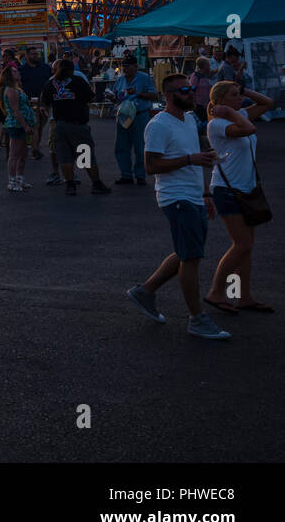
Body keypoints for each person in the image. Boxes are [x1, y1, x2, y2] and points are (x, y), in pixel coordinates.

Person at [125, 73, 228, 339]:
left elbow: (196, 159)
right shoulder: (159, 125)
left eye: (192, 89)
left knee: (187, 252)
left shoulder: (190, 119)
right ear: (169, 96)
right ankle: (197, 319)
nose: (192, 94)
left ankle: (145, 291)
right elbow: (150, 166)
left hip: (192, 195)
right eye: (185, 91)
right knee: (191, 257)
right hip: (176, 197)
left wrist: (205, 193)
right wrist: (190, 159)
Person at [203, 80, 274, 315]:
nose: (240, 99)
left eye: (239, 94)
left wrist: (243, 92)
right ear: (221, 101)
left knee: (246, 248)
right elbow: (249, 129)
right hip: (227, 190)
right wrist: (232, 112)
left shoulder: (238, 114)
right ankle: (215, 292)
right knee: (242, 244)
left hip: (247, 190)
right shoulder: (217, 124)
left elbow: (268, 103)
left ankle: (244, 297)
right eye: (234, 95)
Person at [44, 59, 111, 195]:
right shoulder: (77, 81)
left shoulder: (50, 83)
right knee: (85, 156)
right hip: (77, 125)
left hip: (59, 125)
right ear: (71, 69)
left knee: (65, 157)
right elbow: (90, 98)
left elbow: (44, 102)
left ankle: (70, 185)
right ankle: (96, 184)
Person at [112, 55, 158, 186]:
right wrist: (112, 97)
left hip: (140, 115)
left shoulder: (144, 78)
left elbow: (154, 95)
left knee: (140, 146)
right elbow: (117, 96)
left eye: (128, 66)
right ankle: (125, 174)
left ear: (135, 66)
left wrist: (138, 93)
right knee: (121, 146)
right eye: (123, 66)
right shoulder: (120, 80)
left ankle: (140, 175)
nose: (125, 69)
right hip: (123, 116)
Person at [0, 65, 33, 192]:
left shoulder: (17, 88)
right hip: (16, 125)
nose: (17, 72)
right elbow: (15, 110)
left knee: (23, 154)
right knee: (14, 153)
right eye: (14, 71)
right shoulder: (11, 90)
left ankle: (20, 179)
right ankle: (12, 181)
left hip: (23, 123)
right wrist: (25, 125)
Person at [19, 46, 53, 161]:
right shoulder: (22, 70)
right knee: (36, 125)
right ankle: (34, 150)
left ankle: (35, 146)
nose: (35, 56)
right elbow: (18, 85)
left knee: (40, 126)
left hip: (44, 102)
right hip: (29, 102)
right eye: (33, 54)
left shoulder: (45, 68)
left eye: (36, 54)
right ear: (27, 56)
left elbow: (51, 82)